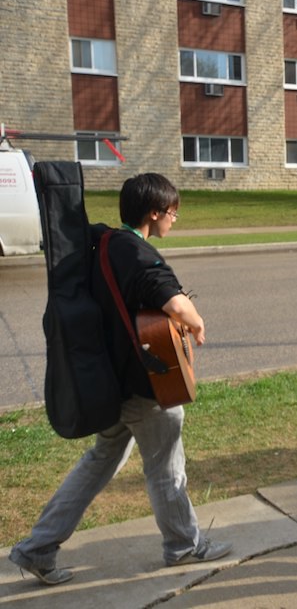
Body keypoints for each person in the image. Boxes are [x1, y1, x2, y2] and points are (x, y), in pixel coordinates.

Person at [8, 174, 231, 586]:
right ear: (154, 213)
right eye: (172, 212)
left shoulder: (103, 243)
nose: (175, 219)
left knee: (98, 462)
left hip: (110, 383)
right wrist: (196, 323)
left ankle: (37, 547)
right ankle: (183, 546)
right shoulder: (137, 252)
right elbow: (172, 301)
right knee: (166, 468)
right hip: (145, 386)